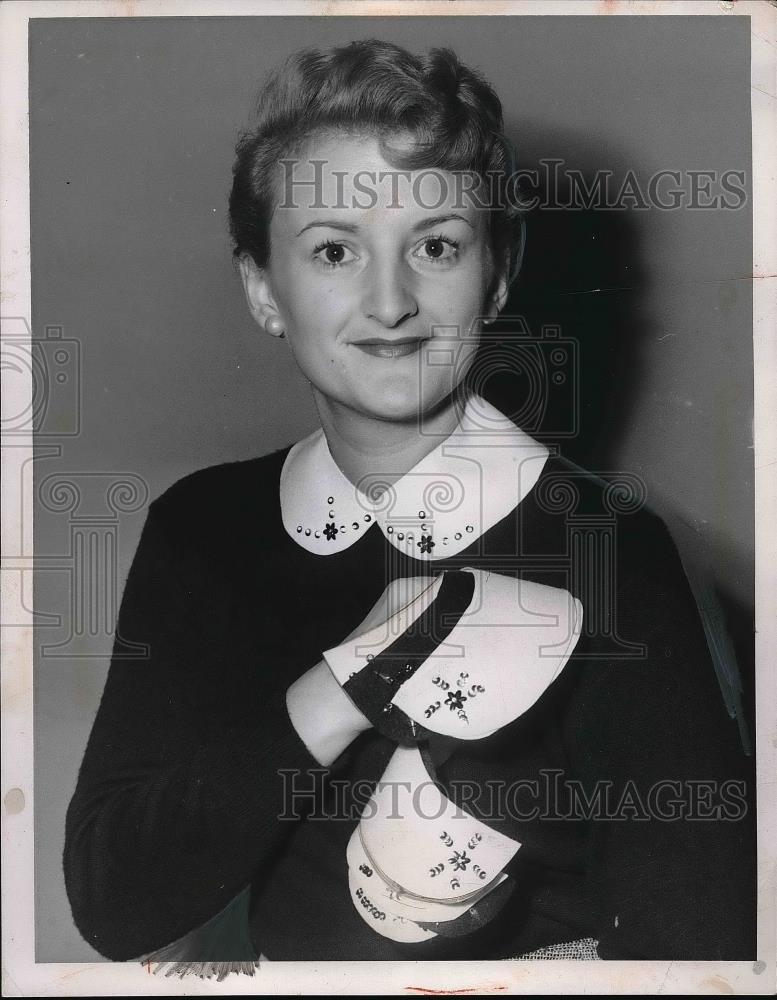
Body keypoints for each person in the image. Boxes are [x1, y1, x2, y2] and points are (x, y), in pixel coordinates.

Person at [63, 39, 754, 965]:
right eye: (334, 250)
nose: (389, 302)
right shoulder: (203, 528)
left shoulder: (609, 548)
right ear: (264, 289)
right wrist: (349, 681)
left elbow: (699, 947)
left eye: (434, 246)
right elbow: (115, 903)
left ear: (498, 273)